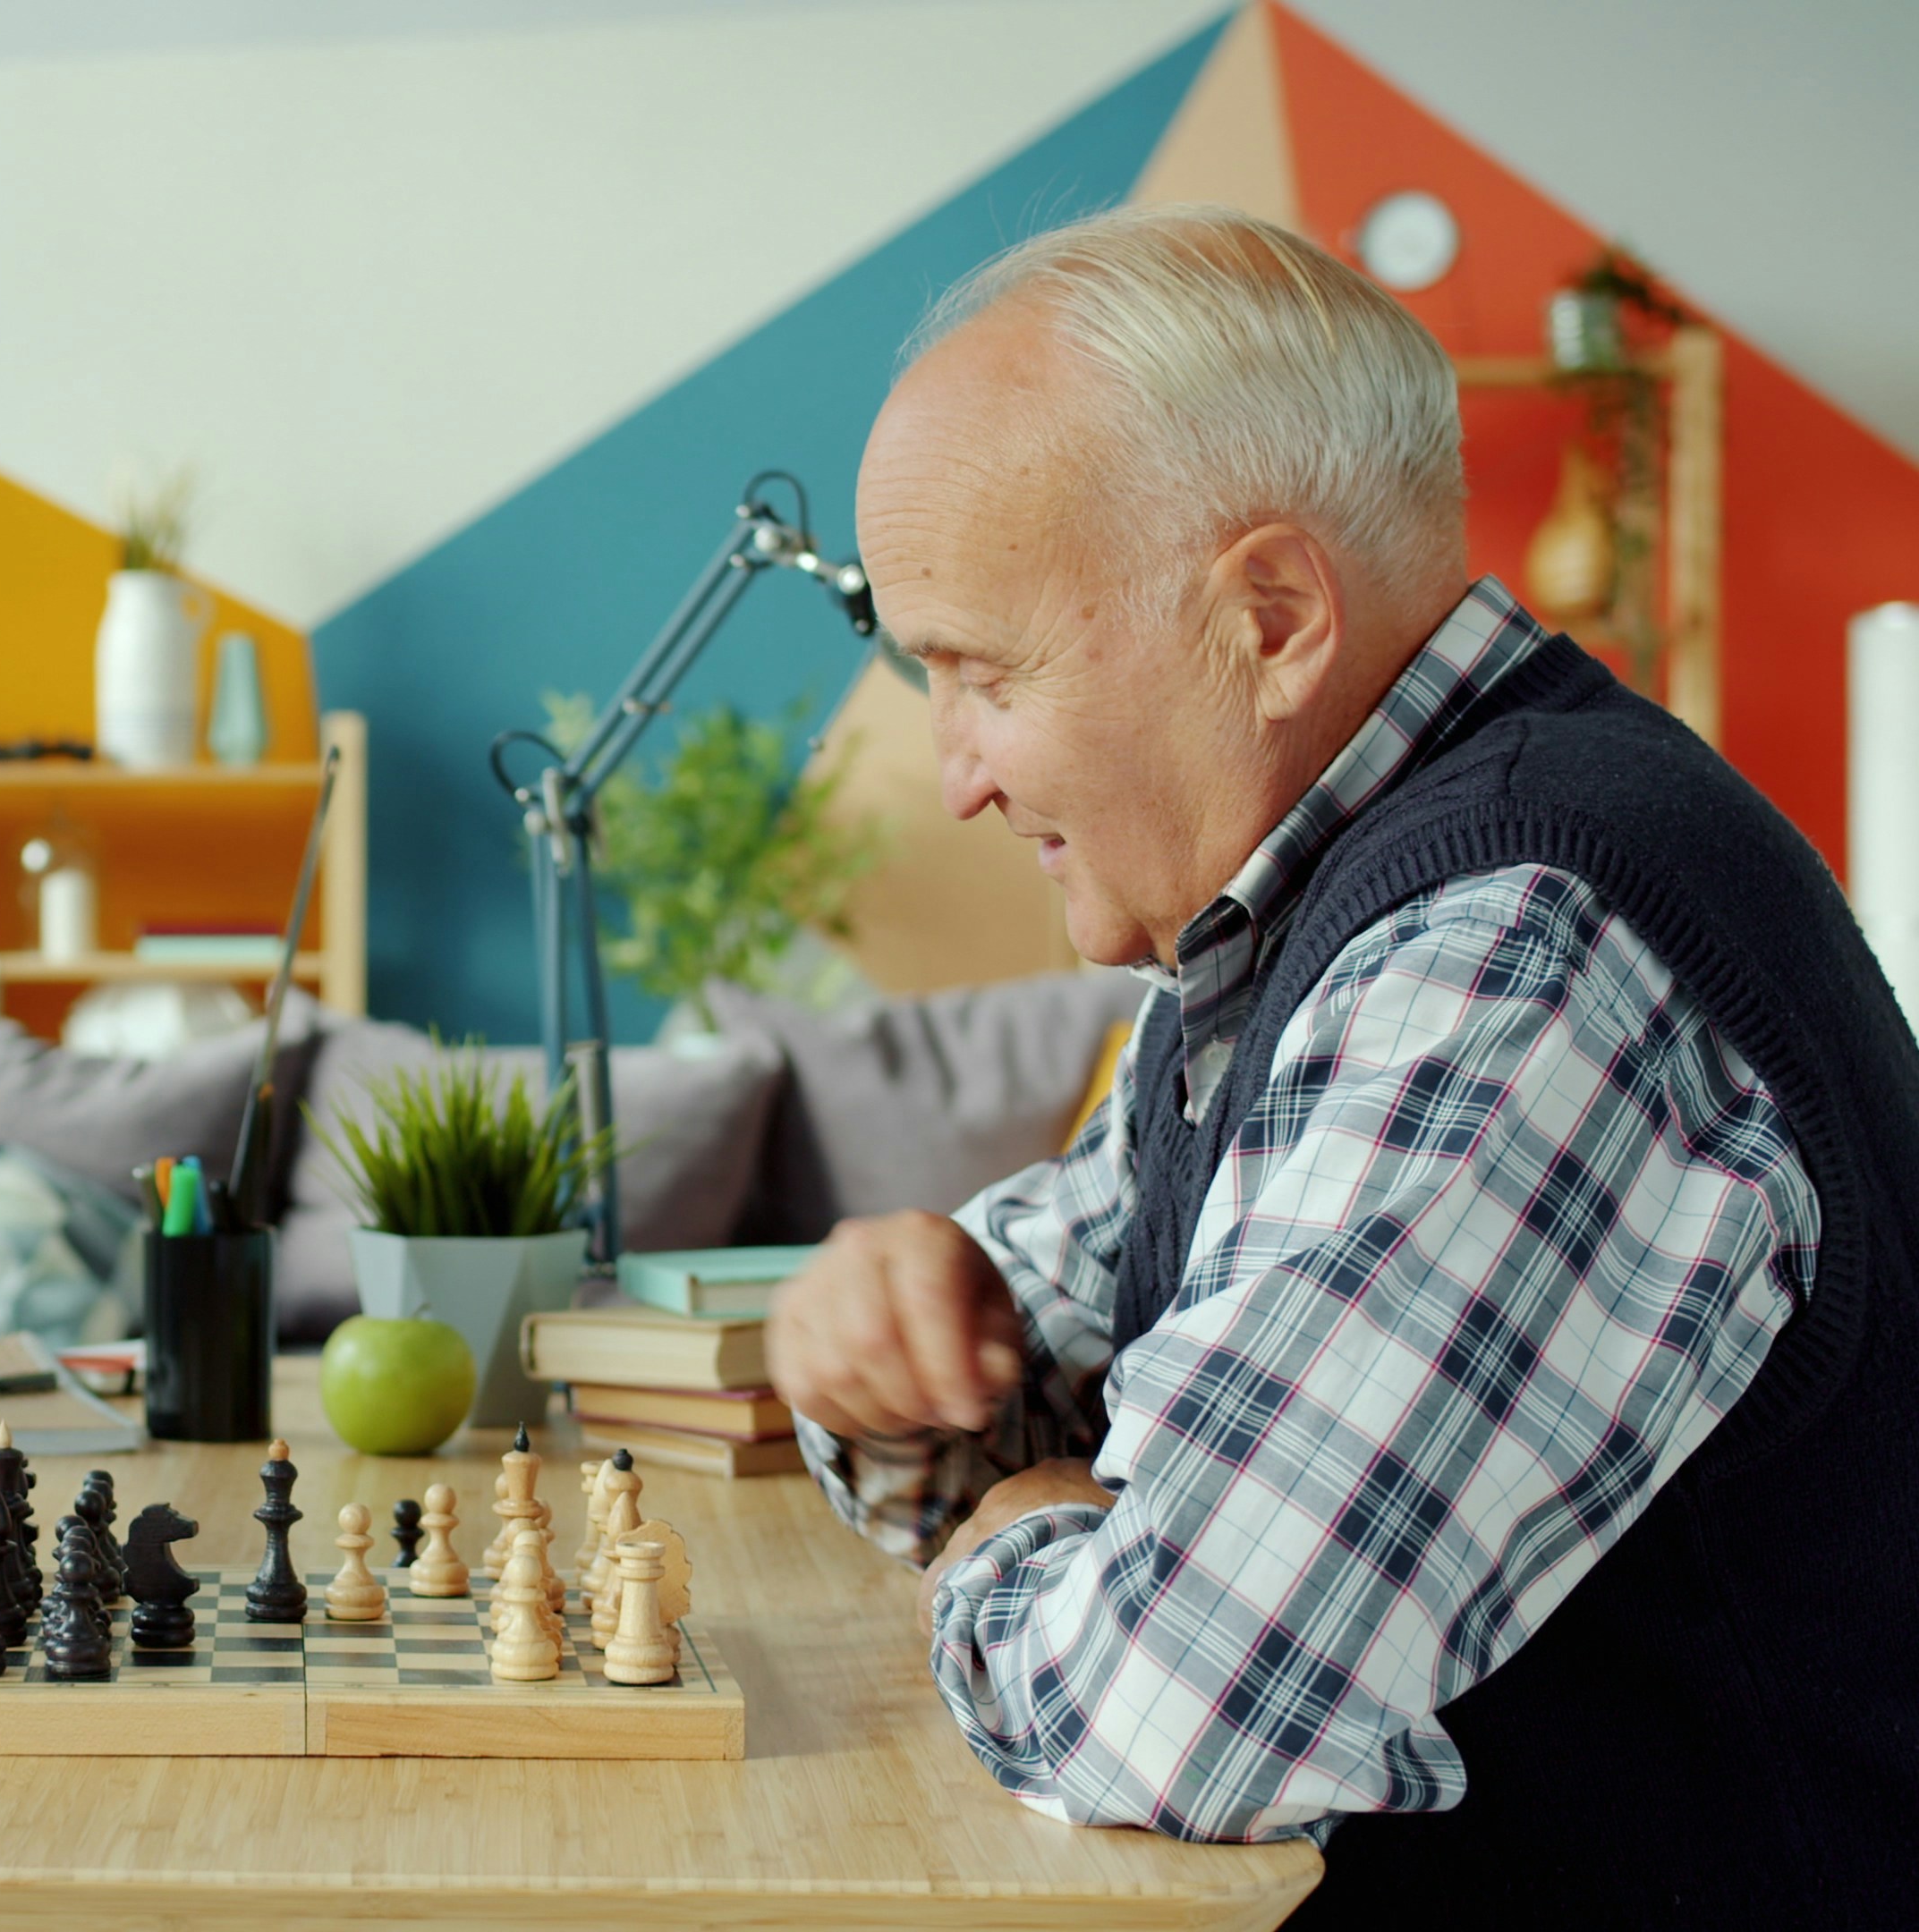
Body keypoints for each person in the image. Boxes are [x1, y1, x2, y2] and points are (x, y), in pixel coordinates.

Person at [784, 204, 1917, 1923]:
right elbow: (1043, 1337)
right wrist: (920, 1341)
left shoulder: (1518, 963)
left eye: (983, 672)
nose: (955, 775)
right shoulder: (1276, 912)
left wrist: (1011, 1512)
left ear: (1274, 615)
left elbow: (1180, 1713)